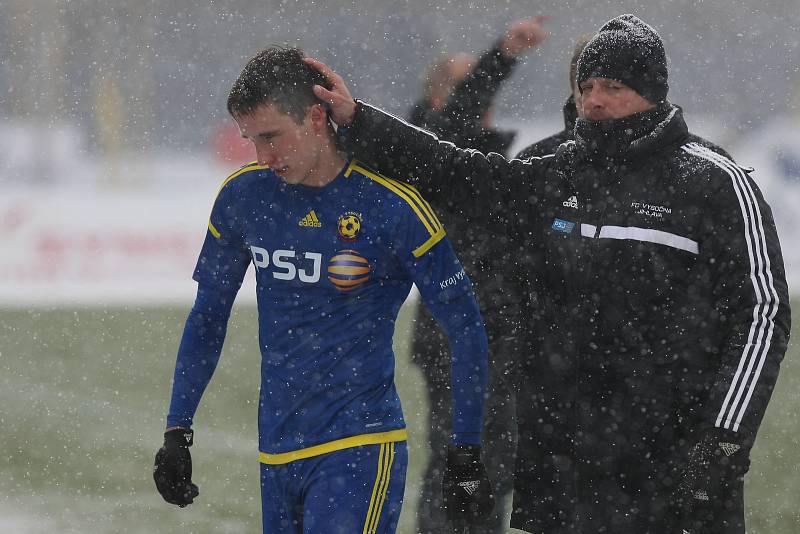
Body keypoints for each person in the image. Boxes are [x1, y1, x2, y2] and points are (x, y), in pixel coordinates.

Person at [306, 13, 791, 533]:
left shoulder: (714, 182)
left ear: (651, 92)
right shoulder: (554, 173)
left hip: (671, 463)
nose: (594, 100)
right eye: (586, 87)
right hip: (566, 470)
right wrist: (359, 120)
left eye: (613, 86)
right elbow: (453, 167)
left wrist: (722, 443)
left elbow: (762, 315)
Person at [152, 46, 495, 534]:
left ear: (316, 117)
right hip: (276, 452)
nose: (262, 156)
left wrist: (465, 448)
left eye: (272, 137)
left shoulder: (392, 206)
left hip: (360, 447)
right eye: (250, 139)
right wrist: (176, 429)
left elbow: (464, 325)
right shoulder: (243, 198)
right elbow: (208, 316)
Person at [406, 16, 548, 534]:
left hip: (501, 332)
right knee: (459, 457)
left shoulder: (485, 156)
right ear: (442, 98)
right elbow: (463, 109)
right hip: (454, 333)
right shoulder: (431, 147)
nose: (485, 93)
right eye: (470, 83)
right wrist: (503, 55)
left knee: (497, 457)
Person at [515, 33, 592, 160]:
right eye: (587, 89)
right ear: (576, 97)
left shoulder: (635, 162)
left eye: (612, 88)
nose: (597, 100)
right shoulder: (535, 160)